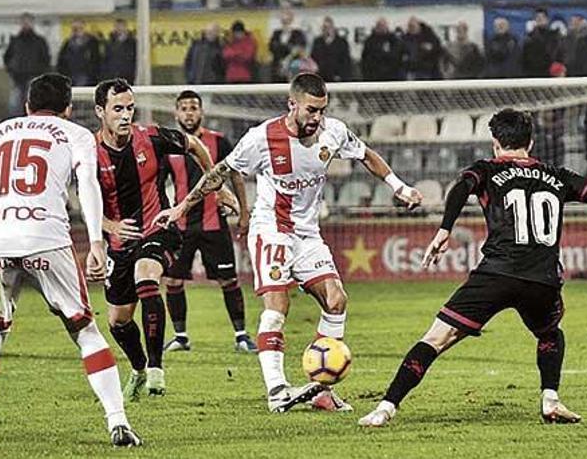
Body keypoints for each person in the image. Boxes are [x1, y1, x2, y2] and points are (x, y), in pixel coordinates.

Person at [152, 73, 423, 413]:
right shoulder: (261, 137)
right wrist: (181, 207)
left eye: (322, 110)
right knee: (278, 307)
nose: (317, 118)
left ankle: (321, 389)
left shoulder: (333, 132)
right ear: (292, 104)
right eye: (311, 110)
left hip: (308, 234)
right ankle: (277, 390)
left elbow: (367, 155)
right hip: (271, 231)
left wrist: (400, 187)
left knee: (336, 300)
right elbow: (219, 172)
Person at [358, 109, 587, 428]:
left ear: (495, 143)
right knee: (550, 332)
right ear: (531, 143)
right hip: (543, 280)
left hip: (496, 273)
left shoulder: (487, 170)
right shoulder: (556, 175)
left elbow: (461, 187)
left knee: (436, 339)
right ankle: (550, 399)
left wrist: (444, 231)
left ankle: (385, 408)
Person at [0, 73, 142, 449]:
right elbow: (86, 186)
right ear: (70, 108)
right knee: (85, 329)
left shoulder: (0, 132)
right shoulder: (76, 135)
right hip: (47, 238)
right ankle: (118, 423)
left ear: (26, 106)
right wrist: (97, 242)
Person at [93, 78, 234, 400]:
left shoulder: (151, 136)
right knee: (118, 320)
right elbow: (73, 195)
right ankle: (140, 368)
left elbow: (195, 145)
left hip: (159, 227)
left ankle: (157, 369)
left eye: (130, 108)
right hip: (118, 243)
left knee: (147, 278)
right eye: (118, 109)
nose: (126, 115)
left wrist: (216, 184)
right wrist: (108, 225)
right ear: (101, 111)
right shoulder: (88, 151)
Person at [161, 90, 255, 353]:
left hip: (215, 223)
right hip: (181, 227)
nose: (189, 113)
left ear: (201, 112)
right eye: (184, 108)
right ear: (176, 113)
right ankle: (180, 337)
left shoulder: (219, 141)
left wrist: (244, 212)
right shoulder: (169, 146)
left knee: (228, 280)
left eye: (193, 108)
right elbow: (158, 184)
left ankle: (241, 336)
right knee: (173, 281)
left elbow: (235, 175)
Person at [3, 13, 51, 116]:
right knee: (14, 105)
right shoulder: (15, 40)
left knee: (32, 103)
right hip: (17, 77)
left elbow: (46, 58)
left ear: (32, 24)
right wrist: (11, 70)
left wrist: (40, 73)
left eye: (28, 22)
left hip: (33, 77)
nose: (26, 24)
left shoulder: (39, 41)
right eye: (23, 22)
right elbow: (7, 57)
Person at [57, 19, 101, 87]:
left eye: (79, 28)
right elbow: (61, 61)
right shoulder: (67, 43)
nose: (77, 30)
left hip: (87, 78)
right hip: (71, 77)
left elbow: (97, 60)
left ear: (83, 28)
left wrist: (92, 74)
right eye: (74, 28)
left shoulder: (92, 42)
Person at [399, 16, 442, 80]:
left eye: (413, 26)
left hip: (428, 72)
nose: (412, 29)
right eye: (410, 26)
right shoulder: (404, 39)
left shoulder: (429, 37)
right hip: (411, 72)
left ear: (419, 26)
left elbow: (438, 51)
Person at [269, 8, 307, 82]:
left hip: (293, 67)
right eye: (283, 19)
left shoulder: (298, 33)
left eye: (287, 19)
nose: (285, 21)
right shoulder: (276, 33)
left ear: (291, 19)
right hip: (278, 66)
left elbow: (300, 48)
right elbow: (271, 47)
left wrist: (288, 56)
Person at [310, 17, 351, 82]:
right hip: (321, 77)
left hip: (337, 77)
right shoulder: (317, 42)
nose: (326, 30)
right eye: (324, 27)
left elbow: (345, 61)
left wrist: (340, 75)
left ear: (333, 28)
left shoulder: (342, 42)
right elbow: (313, 58)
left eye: (328, 27)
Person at [522, 8, 560, 77]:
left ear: (547, 19)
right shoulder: (529, 38)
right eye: (538, 17)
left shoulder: (554, 37)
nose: (540, 19)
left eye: (543, 17)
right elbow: (526, 59)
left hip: (551, 74)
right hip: (534, 74)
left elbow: (556, 54)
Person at [103, 19, 137, 83]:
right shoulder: (109, 42)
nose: (118, 28)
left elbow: (135, 58)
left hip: (127, 74)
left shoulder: (132, 42)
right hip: (112, 74)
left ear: (125, 27)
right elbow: (106, 58)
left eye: (120, 26)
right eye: (116, 26)